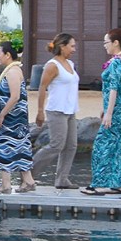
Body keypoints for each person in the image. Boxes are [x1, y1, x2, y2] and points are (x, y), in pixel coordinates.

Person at [82, 28, 121, 196]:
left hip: (115, 111)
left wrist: (108, 113)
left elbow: (113, 88)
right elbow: (116, 90)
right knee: (120, 145)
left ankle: (99, 183)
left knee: (102, 145)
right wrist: (105, 108)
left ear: (115, 43)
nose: (104, 46)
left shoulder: (115, 63)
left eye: (106, 42)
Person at [32, 33, 80, 189]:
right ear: (62, 46)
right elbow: (42, 87)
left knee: (71, 145)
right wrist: (40, 111)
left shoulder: (70, 64)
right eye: (71, 46)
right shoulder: (52, 65)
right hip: (56, 110)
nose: (74, 49)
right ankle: (28, 174)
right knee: (56, 145)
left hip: (70, 110)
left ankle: (62, 179)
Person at [0, 42, 36, 194]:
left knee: (6, 147)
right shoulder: (11, 70)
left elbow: (14, 96)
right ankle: (28, 180)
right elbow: (4, 96)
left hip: (13, 118)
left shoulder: (13, 72)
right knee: (18, 146)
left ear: (7, 55)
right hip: (12, 116)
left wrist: (2, 115)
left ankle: (6, 184)